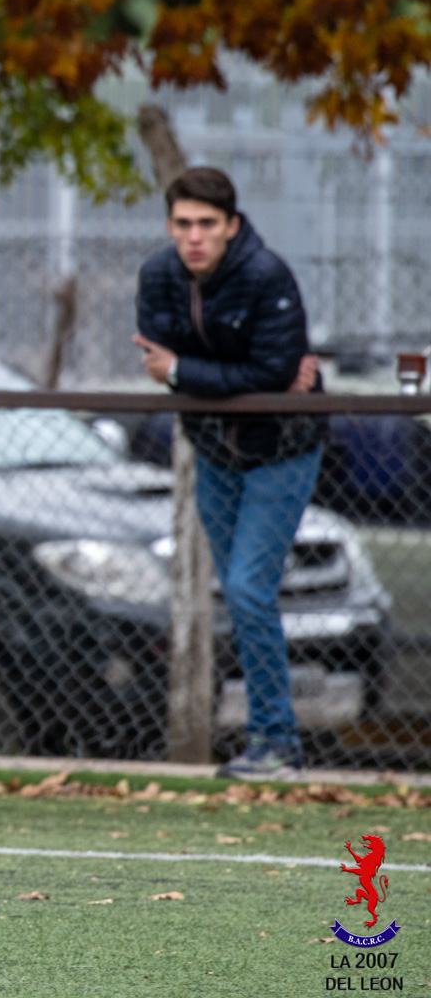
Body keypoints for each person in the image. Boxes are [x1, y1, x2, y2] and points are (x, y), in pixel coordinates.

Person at [133, 165, 327, 781]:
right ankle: (266, 738)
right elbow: (154, 362)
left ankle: (277, 742)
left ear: (231, 226)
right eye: (184, 224)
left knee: (247, 588)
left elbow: (272, 377)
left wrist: (186, 371)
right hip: (213, 453)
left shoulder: (267, 275)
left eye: (207, 224)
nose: (195, 236)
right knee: (239, 594)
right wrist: (205, 375)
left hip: (283, 449)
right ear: (170, 226)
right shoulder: (158, 275)